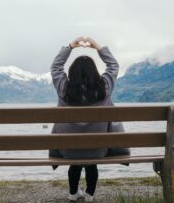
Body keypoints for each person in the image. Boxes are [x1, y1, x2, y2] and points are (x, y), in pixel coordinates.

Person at [49, 36, 129, 202]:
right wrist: (97, 47)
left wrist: (70, 46)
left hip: (68, 150)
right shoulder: (104, 88)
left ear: (71, 72)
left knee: (75, 162)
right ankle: (89, 195)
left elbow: (56, 67)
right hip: (98, 150)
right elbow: (114, 65)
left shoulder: (64, 89)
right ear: (95, 71)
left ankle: (73, 194)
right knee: (91, 163)